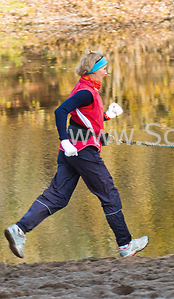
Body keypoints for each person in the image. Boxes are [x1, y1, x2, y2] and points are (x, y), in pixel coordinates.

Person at [4, 50, 148, 258]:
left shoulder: (85, 88)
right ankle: (126, 245)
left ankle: (19, 230)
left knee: (58, 196)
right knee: (109, 193)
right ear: (95, 71)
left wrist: (107, 115)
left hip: (73, 150)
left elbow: (82, 120)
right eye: (105, 69)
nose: (106, 73)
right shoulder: (86, 92)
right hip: (81, 151)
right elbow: (60, 112)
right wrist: (64, 139)